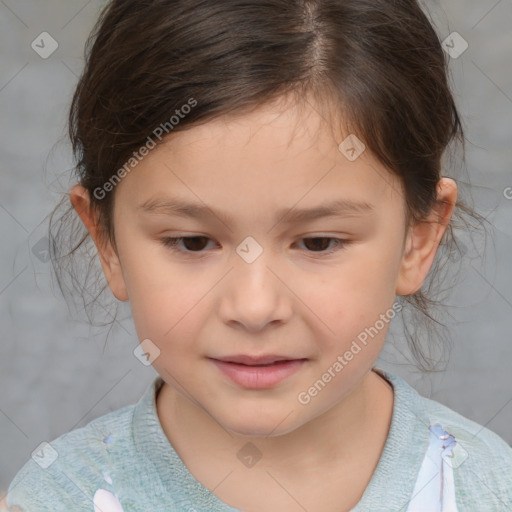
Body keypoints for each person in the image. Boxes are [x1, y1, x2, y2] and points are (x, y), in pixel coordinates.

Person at [2, 0, 511, 511]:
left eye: (318, 242)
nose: (254, 307)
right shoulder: (56, 498)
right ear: (107, 242)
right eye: (192, 242)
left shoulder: (487, 490)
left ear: (418, 238)